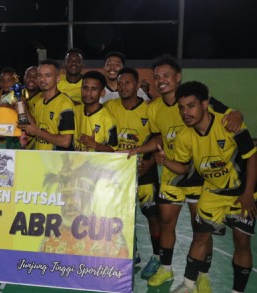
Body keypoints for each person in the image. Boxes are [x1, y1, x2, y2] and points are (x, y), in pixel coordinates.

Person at [127, 55, 243, 289]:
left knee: (201, 229)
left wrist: (238, 114)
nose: (161, 81)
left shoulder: (198, 100)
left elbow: (232, 115)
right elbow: (158, 136)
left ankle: (203, 276)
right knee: (166, 223)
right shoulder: (154, 108)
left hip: (199, 177)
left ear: (178, 77)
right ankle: (167, 270)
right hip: (172, 173)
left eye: (166, 75)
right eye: (157, 77)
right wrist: (139, 150)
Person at [157, 81, 256, 293]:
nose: (186, 112)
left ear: (205, 105)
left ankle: (237, 291)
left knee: (242, 241)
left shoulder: (229, 124)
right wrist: (165, 161)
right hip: (212, 191)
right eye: (182, 108)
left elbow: (252, 156)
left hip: (242, 193)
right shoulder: (185, 136)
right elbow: (184, 168)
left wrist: (248, 193)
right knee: (200, 235)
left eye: (191, 106)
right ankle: (188, 285)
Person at [104, 67, 161, 279]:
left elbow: (159, 140)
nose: (123, 86)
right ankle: (132, 253)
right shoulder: (109, 106)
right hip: (118, 173)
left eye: (128, 82)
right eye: (120, 83)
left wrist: (150, 162)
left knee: (152, 215)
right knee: (120, 215)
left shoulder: (148, 109)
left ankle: (157, 256)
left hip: (144, 171)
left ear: (137, 85)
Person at [17, 59, 75, 151]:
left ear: (58, 79)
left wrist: (37, 131)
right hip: (41, 160)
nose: (42, 79)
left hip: (57, 163)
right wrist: (24, 110)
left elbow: (65, 141)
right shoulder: (40, 102)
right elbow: (36, 128)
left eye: (48, 75)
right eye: (39, 75)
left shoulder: (65, 104)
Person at [74, 70, 117, 152]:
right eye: (85, 88)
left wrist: (94, 144)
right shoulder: (75, 111)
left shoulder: (108, 119)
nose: (88, 93)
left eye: (93, 89)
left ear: (102, 92)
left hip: (97, 164)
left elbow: (113, 151)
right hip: (74, 163)